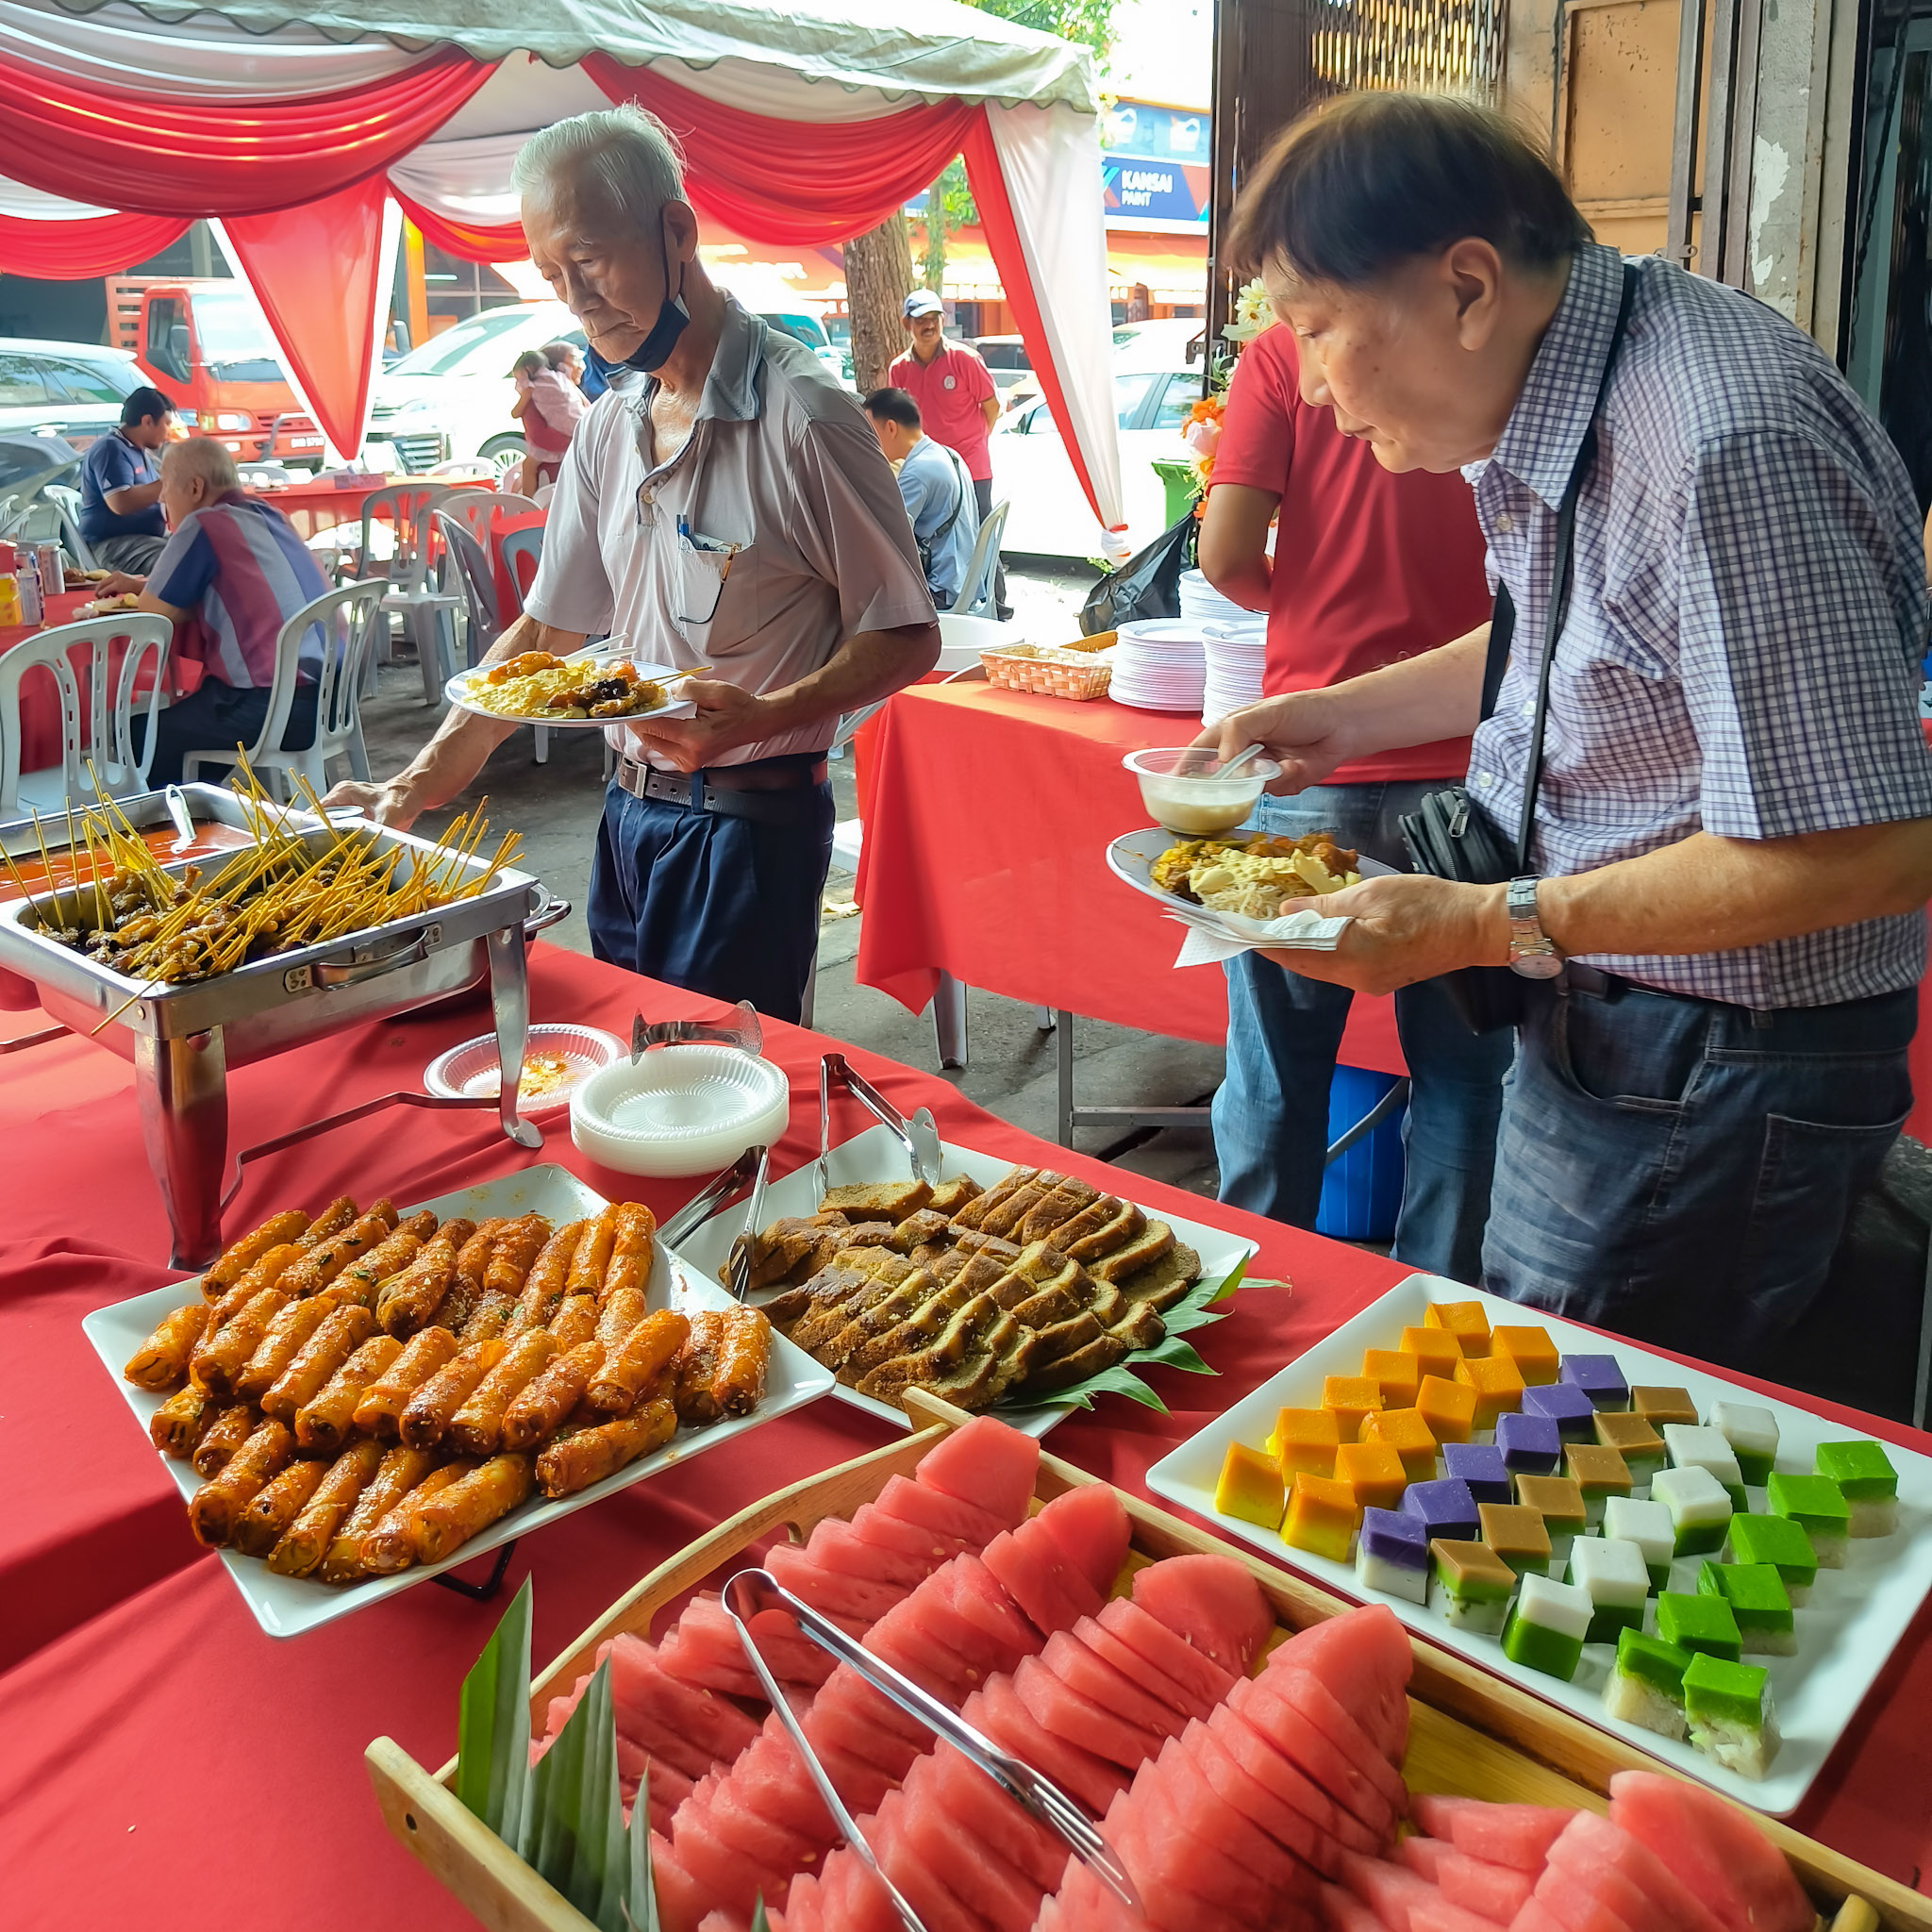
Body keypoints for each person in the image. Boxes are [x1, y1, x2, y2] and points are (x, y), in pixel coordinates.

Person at [1201, 92, 1932, 1371]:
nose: (1310, 386)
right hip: (1623, 1016)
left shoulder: (1717, 439)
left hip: (1714, 1057)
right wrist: (1340, 714)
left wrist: (1489, 923)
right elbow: (1572, 645)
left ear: (1467, 287)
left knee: (1582, 1437)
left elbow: (1864, 850)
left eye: (1318, 330)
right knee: (1537, 1402)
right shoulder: (1570, 386)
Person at [324, 105, 940, 1023]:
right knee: (631, 1063)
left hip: (746, 824)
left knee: (709, 1093)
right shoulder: (611, 423)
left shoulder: (800, 415)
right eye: (552, 275)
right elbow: (541, 634)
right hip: (624, 816)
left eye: (591, 259)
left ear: (676, 231)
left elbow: (904, 631)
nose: (576, 296)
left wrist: (764, 715)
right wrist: (407, 789)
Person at [1199, 319, 1507, 1282]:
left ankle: (1252, 1302)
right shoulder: (1485, 346)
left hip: (1307, 757)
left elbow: (1223, 556)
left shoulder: (1282, 352)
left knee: (1274, 1072)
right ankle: (1437, 1318)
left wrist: (1308, 599)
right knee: (1462, 1073)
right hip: (1474, 766)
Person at [99, 438, 328, 786]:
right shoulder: (270, 514)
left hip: (273, 709)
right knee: (186, 727)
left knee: (135, 734)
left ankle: (171, 827)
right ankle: (197, 800)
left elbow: (149, 617)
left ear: (194, 488)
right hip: (330, 697)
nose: (161, 498)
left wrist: (138, 594)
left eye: (166, 486)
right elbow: (240, 588)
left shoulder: (203, 525)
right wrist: (143, 583)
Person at [890, 291, 1008, 618]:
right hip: (927, 469)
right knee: (934, 541)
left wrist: (976, 441)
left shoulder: (965, 359)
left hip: (970, 465)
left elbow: (992, 406)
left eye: (934, 318)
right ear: (906, 324)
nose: (928, 325)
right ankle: (946, 605)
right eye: (920, 320)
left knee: (980, 537)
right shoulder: (899, 368)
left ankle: (995, 606)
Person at [862, 387, 979, 611]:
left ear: (890, 427)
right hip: (965, 582)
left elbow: (888, 538)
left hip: (941, 590)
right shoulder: (947, 454)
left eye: (870, 431)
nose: (869, 441)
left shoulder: (917, 472)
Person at [78, 386, 175, 573]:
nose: (168, 432)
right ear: (147, 421)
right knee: (177, 563)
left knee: (200, 549)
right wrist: (174, 481)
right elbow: (119, 502)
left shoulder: (137, 451)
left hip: (143, 539)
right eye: (167, 424)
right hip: (113, 545)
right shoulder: (111, 449)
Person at [508, 347, 586, 495]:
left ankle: (528, 504)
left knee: (528, 466)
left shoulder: (532, 388)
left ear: (527, 371)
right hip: (579, 429)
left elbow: (516, 413)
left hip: (560, 439)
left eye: (518, 378)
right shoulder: (563, 378)